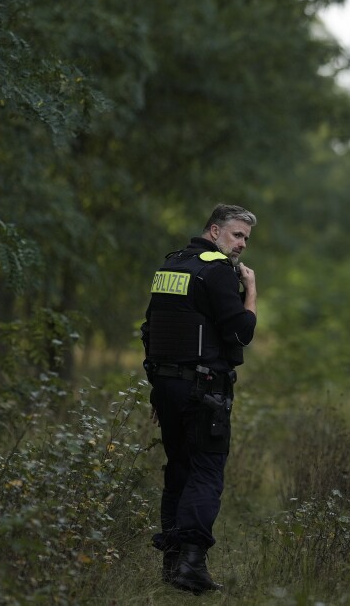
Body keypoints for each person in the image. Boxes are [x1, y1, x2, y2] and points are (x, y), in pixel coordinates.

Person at [140, 204, 259, 593]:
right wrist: (252, 290)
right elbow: (241, 333)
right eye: (236, 234)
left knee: (178, 470)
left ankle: (171, 567)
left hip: (167, 386)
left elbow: (150, 329)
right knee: (205, 471)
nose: (241, 244)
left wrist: (158, 389)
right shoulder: (219, 271)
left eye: (245, 238)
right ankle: (191, 566)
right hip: (204, 389)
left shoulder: (171, 267)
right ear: (213, 231)